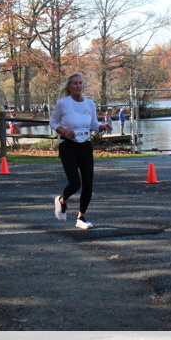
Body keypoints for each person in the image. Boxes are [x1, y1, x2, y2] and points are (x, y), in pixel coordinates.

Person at [49, 73, 112, 229]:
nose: (78, 86)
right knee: (75, 184)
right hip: (67, 145)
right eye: (75, 83)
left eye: (81, 83)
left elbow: (93, 124)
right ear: (69, 87)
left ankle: (81, 217)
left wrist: (102, 127)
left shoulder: (89, 104)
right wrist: (64, 132)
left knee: (88, 184)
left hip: (85, 145)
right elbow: (53, 122)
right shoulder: (63, 103)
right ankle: (62, 200)